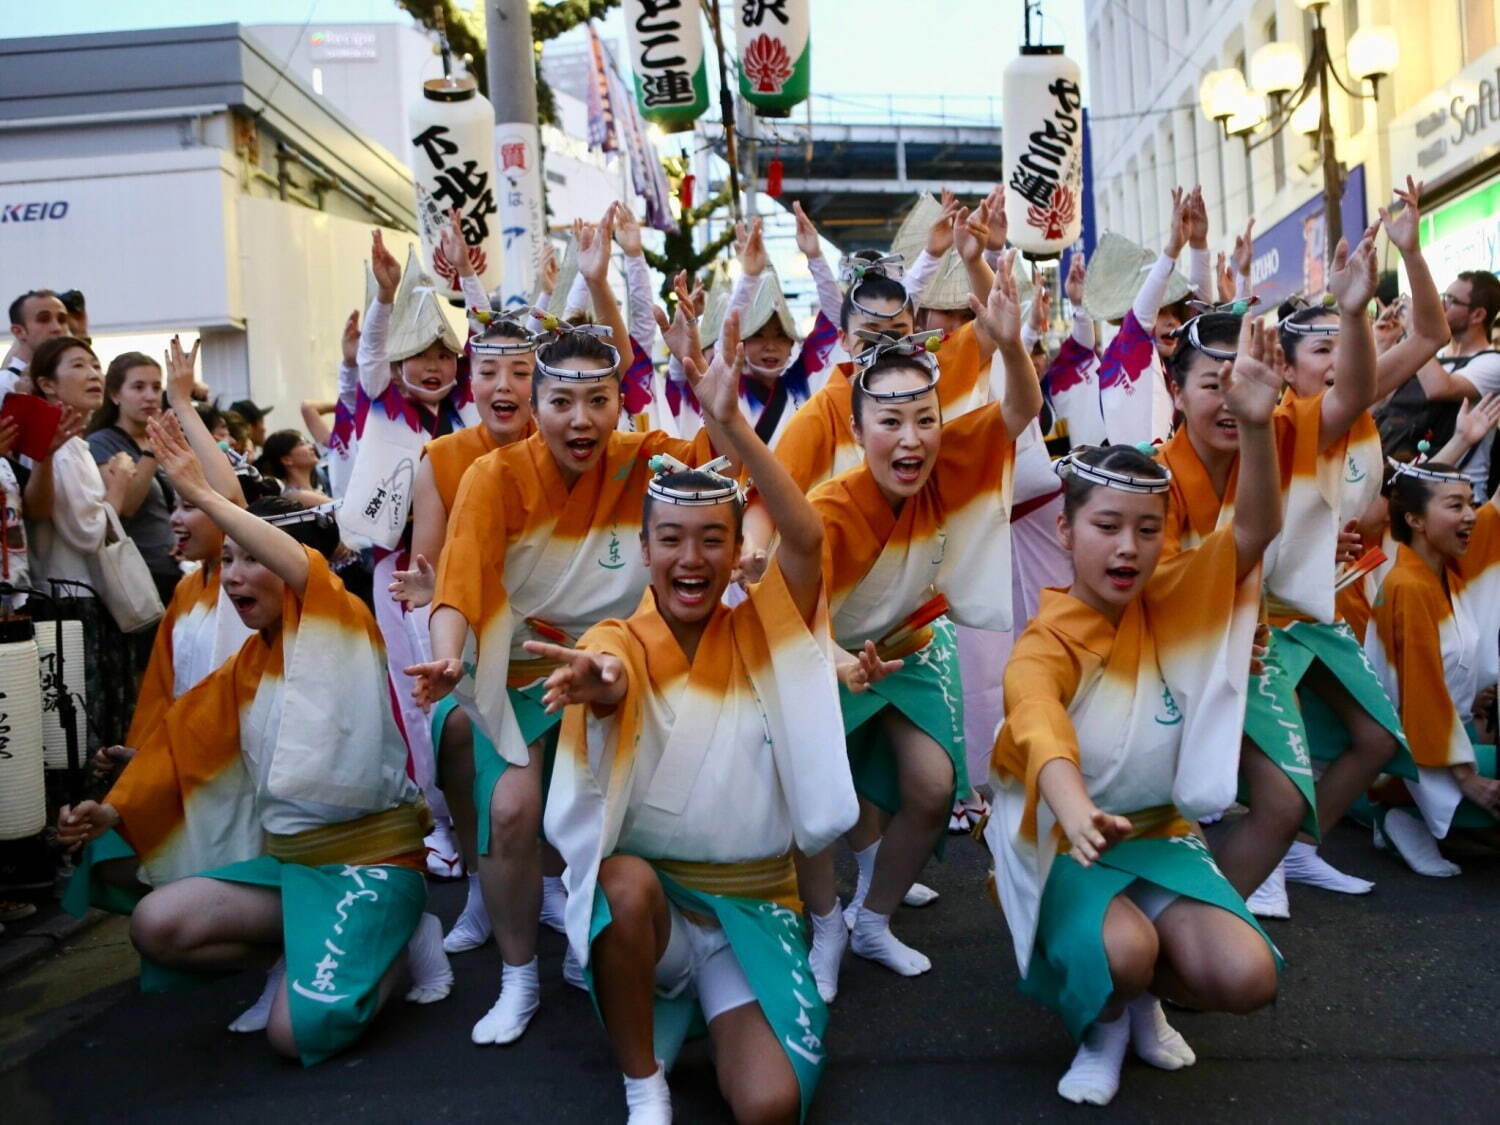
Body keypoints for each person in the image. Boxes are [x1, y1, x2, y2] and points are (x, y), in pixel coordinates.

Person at [56, 412, 452, 1066]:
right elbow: (185, 745)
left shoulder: (337, 613)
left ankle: (403, 944)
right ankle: (294, 950)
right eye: (229, 561)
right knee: (157, 923)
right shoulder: (249, 663)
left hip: (371, 864)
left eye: (251, 560)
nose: (236, 576)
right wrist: (114, 808)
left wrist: (207, 492)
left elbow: (296, 563)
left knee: (294, 1036)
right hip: (291, 867)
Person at [540, 338, 858, 1125]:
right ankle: (643, 1079)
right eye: (672, 540)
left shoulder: (766, 625)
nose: (691, 557)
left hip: (752, 908)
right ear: (644, 551)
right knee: (622, 884)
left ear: (736, 551)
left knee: (770, 1106)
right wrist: (598, 684)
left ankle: (720, 1019)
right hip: (660, 916)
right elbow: (610, 669)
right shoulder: (618, 638)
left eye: (712, 539)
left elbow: (810, 539)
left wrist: (730, 424)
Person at [987, 315, 1286, 1107]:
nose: (1127, 548)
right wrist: (1075, 806)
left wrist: (1257, 426)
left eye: (1147, 530)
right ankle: (1106, 1021)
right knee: (1124, 949)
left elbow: (1253, 528)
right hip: (1066, 843)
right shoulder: (1047, 636)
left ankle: (1145, 993)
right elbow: (1035, 716)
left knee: (1248, 974)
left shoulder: (1177, 591)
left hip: (1159, 836)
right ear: (1065, 528)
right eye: (1106, 526)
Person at [408, 310, 725, 1048]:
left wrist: (704, 377)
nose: (580, 420)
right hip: (516, 670)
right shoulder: (493, 475)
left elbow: (723, 464)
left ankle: (606, 934)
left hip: (617, 665)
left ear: (622, 402)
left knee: (623, 811)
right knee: (514, 810)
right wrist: (450, 653)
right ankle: (519, 973)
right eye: (561, 402)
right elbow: (456, 586)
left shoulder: (645, 458)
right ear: (537, 407)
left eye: (598, 401)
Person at [798, 259, 1040, 1001]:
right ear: (856, 422)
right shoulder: (830, 493)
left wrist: (1011, 343)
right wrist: (835, 658)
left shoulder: (953, 451)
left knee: (934, 788)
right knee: (812, 804)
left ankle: (873, 917)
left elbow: (1019, 410)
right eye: (890, 422)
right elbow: (789, 602)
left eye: (924, 419)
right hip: (823, 647)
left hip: (908, 640)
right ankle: (825, 920)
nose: (910, 438)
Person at [1155, 224, 1386, 917]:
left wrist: (1352, 314)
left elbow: (1356, 394)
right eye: (1212, 383)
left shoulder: (1278, 431)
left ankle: (1204, 929)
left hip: (1252, 649)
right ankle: (1172, 943)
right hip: (1163, 662)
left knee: (1283, 805)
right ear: (1174, 388)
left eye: (1245, 379)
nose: (1231, 398)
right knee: (1176, 814)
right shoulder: (1153, 480)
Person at [390, 310, 539, 947]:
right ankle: (480, 889)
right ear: (468, 381)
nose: (503, 384)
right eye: (489, 370)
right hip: (474, 635)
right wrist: (432, 592)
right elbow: (428, 571)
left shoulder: (568, 444)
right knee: (453, 729)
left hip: (554, 636)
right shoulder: (441, 460)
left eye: (521, 371)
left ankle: (555, 885)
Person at [1365, 451, 1500, 875]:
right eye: (1455, 505)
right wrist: (1468, 780)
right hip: (1416, 755)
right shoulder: (1409, 585)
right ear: (1415, 520)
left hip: (1441, 740)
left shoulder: (1446, 572)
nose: (1472, 515)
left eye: (1471, 502)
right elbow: (1420, 695)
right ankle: (1396, 813)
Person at [26, 335, 137, 747]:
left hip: (81, 598)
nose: (93, 374)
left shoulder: (75, 445)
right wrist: (120, 484)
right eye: (77, 366)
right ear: (47, 384)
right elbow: (89, 532)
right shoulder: (64, 448)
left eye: (94, 365)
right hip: (73, 602)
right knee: (84, 730)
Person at [86, 352, 182, 606]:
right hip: (140, 575)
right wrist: (152, 452)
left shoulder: (164, 439)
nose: (150, 396)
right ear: (115, 394)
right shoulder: (101, 443)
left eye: (156, 387)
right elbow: (127, 504)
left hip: (177, 569)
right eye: (138, 387)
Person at [4, 289, 69, 393]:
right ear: (19, 331)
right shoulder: (4, 385)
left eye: (62, 320)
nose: (57, 328)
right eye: (44, 319)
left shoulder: (71, 380)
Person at [253, 429, 328, 503]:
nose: (311, 447)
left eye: (307, 442)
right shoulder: (294, 496)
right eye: (302, 444)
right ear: (286, 460)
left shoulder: (316, 489)